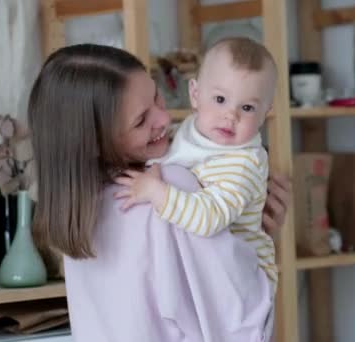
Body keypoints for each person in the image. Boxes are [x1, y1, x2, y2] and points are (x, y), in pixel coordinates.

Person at [29, 43, 291, 341]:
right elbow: (237, 319)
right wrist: (261, 239)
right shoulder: (169, 187)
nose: (164, 120)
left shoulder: (75, 213)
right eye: (141, 120)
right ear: (94, 142)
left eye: (157, 97)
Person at [114, 37, 278, 292]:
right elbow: (167, 160)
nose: (230, 115)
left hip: (243, 284)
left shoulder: (242, 163)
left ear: (265, 114)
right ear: (195, 95)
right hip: (207, 270)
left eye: (247, 107)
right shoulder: (188, 132)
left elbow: (209, 218)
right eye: (220, 99)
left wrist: (156, 192)